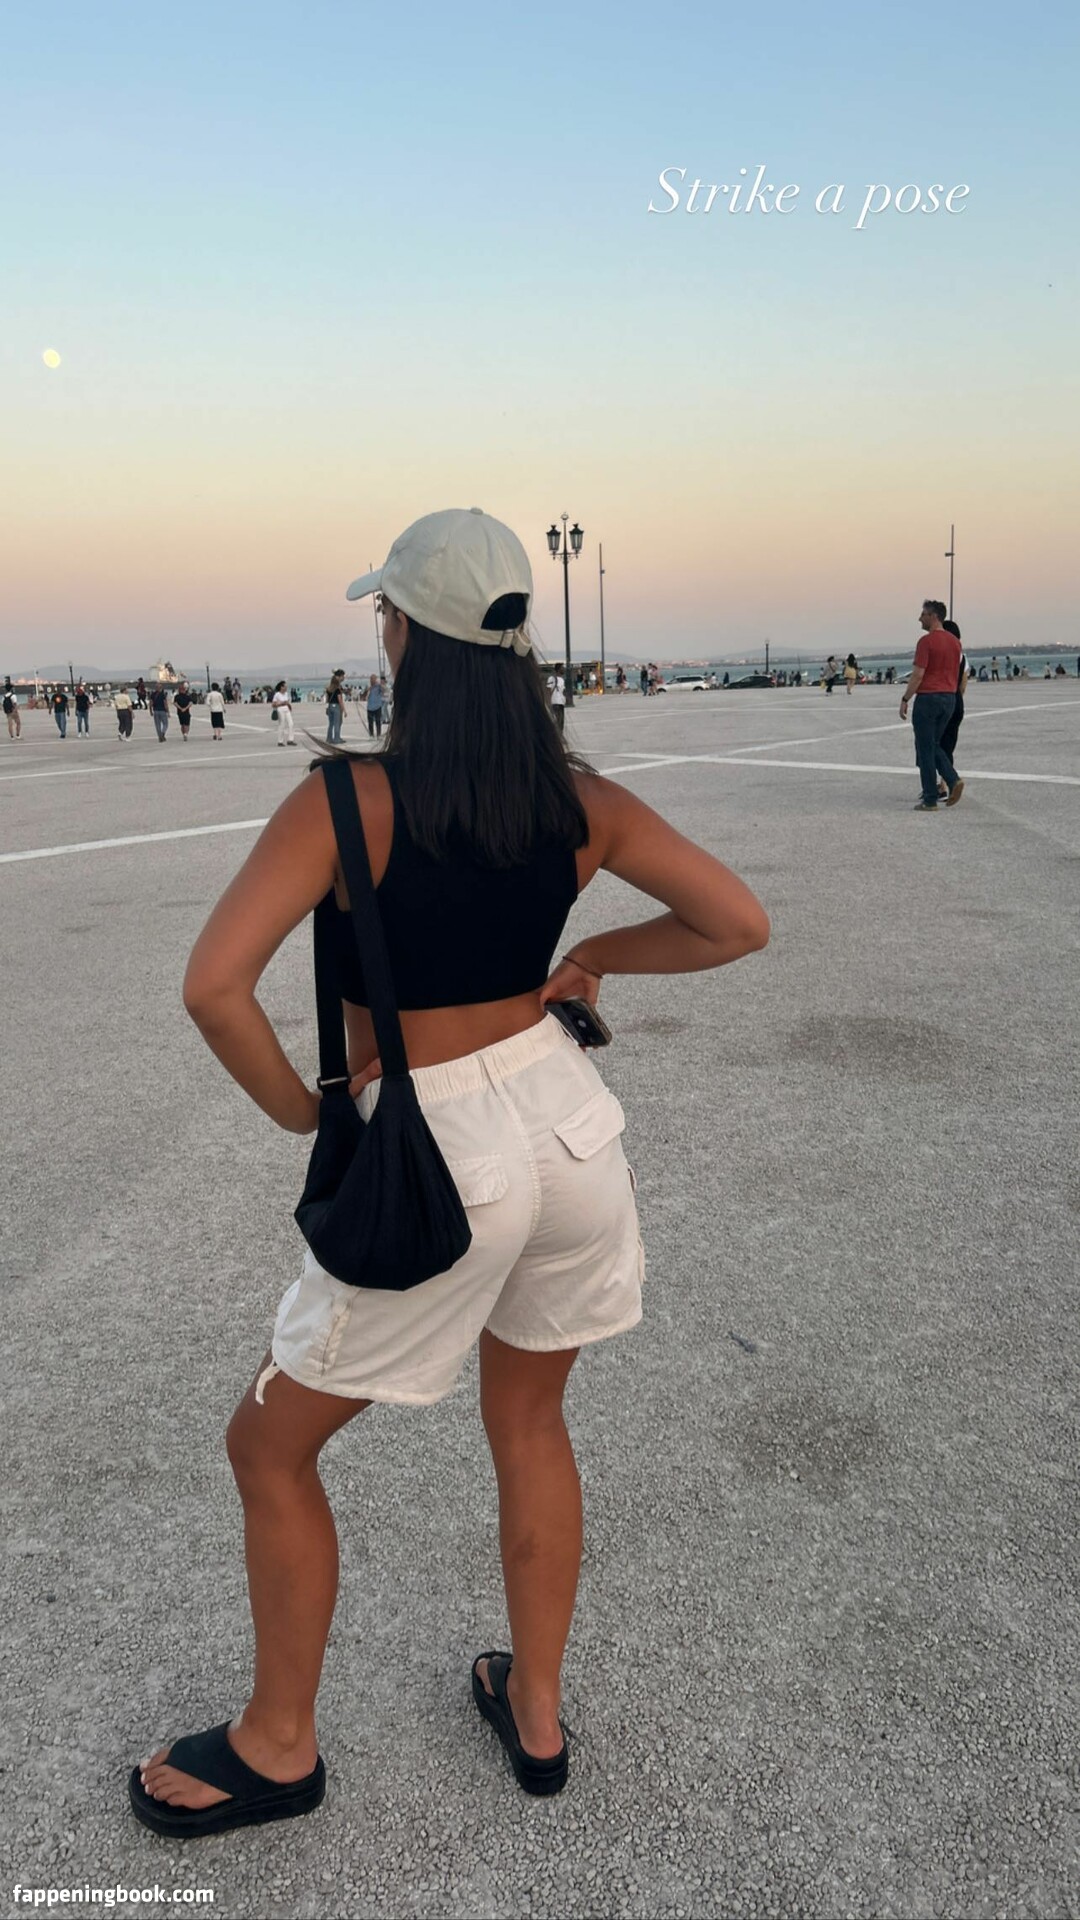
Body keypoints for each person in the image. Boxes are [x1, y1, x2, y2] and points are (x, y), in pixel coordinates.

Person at [130, 505, 769, 1838]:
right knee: (530, 1422)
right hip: (569, 1127)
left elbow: (213, 987)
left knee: (269, 1445)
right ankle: (535, 1713)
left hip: (441, 1148)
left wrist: (305, 1115)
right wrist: (592, 960)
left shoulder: (346, 801)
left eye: (386, 613)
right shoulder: (579, 801)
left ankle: (278, 1744)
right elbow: (736, 923)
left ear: (406, 632)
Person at [900, 600, 963, 810]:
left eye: (923, 614)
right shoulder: (955, 643)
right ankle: (951, 781)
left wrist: (905, 698)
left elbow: (918, 675)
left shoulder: (926, 642)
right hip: (949, 699)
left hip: (928, 699)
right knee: (933, 745)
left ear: (933, 616)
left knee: (925, 748)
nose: (920, 618)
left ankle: (931, 798)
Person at [936, 620, 968, 796]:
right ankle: (945, 783)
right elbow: (963, 685)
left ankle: (945, 783)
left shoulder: (941, 654)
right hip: (956, 700)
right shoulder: (963, 657)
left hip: (941, 699)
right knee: (948, 744)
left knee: (934, 743)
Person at [271, 681, 296, 745]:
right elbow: (273, 704)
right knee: (282, 725)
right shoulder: (277, 694)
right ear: (281, 687)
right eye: (285, 686)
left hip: (287, 709)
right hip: (280, 709)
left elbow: (287, 702)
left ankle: (290, 740)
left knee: (291, 724)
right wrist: (281, 703)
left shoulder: (286, 694)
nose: (286, 687)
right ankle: (280, 741)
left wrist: (289, 705)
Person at [325, 673, 345, 745]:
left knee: (331, 724)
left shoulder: (328, 690)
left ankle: (329, 738)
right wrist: (343, 709)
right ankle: (337, 738)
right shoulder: (337, 690)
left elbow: (327, 699)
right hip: (336, 706)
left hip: (330, 706)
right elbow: (340, 700)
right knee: (337, 723)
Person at [365, 674, 385, 739]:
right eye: (371, 679)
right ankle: (371, 735)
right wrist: (368, 689)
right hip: (370, 707)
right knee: (370, 722)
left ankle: (378, 734)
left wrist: (381, 685)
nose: (372, 680)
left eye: (374, 679)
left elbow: (384, 690)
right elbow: (364, 695)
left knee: (378, 721)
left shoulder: (378, 686)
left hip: (377, 706)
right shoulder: (368, 686)